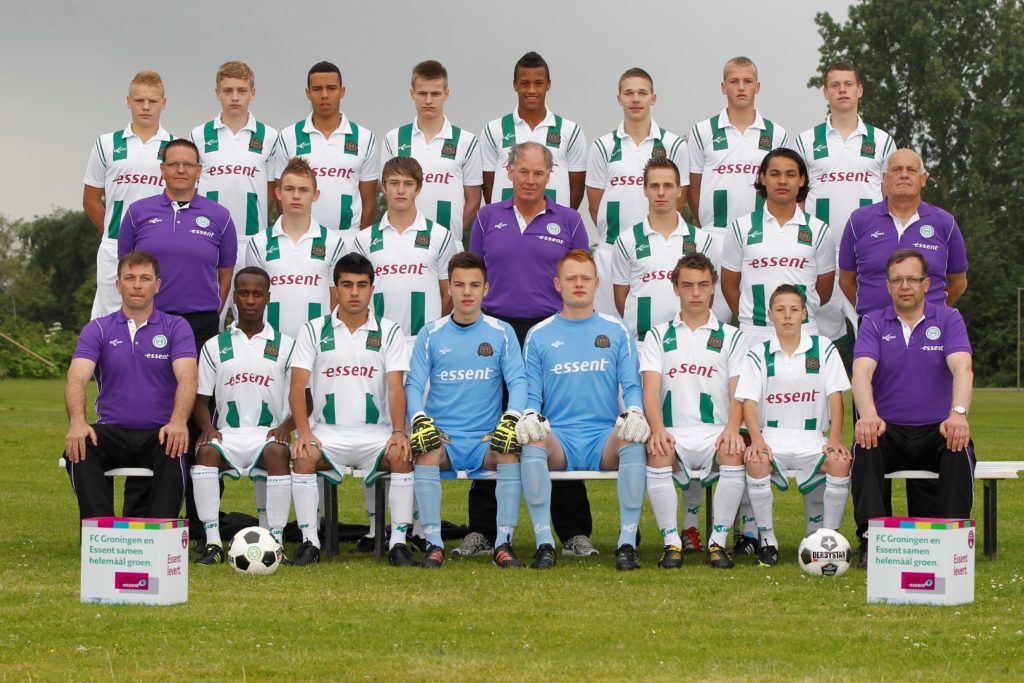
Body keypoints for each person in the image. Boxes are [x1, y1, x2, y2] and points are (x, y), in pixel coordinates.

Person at [465, 141, 594, 559]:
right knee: (495, 426)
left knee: (556, 428)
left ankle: (573, 532)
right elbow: (475, 275)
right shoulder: (487, 218)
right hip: (497, 333)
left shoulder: (570, 220)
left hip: (551, 334)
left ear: (550, 175)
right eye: (523, 171)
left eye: (539, 173)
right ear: (509, 171)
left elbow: (579, 273)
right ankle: (482, 530)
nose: (530, 180)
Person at [517, 249, 650, 570]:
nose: (579, 284)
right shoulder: (539, 334)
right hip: (560, 439)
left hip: (602, 438)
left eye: (585, 278)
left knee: (632, 438)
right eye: (571, 278)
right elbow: (532, 393)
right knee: (533, 440)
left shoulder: (616, 330)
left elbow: (631, 385)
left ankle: (627, 543)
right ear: (557, 284)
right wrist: (529, 414)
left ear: (596, 282)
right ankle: (544, 543)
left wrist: (635, 410)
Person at [287, 253, 417, 567]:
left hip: (375, 433)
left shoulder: (389, 330)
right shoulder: (313, 329)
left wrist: (399, 431)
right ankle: (310, 542)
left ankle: (398, 543)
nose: (354, 292)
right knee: (303, 456)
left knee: (401, 456)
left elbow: (396, 387)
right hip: (327, 433)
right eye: (347, 285)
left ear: (372, 288)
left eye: (361, 284)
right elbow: (297, 385)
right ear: (335, 289)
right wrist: (303, 432)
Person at [851, 249, 974, 568]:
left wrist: (958, 413)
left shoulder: (948, 318)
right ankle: (872, 540)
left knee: (958, 442)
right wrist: (868, 415)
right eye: (897, 280)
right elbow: (861, 372)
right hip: (890, 429)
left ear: (926, 284)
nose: (904, 286)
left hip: (936, 429)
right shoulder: (873, 322)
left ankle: (952, 542)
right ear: (888, 286)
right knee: (866, 441)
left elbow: (962, 368)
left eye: (912, 279)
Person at [404, 252, 528, 568]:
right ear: (449, 288)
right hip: (444, 437)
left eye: (474, 285)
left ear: (486, 288)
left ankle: (503, 543)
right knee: (426, 450)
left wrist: (511, 419)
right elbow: (414, 384)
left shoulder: (501, 331)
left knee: (509, 451)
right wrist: (419, 419)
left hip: (485, 439)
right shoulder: (431, 333)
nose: (467, 292)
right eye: (459, 285)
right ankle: (434, 544)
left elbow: (518, 381)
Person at [63, 251, 196, 520]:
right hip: (112, 431)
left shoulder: (176, 327)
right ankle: (101, 529)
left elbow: (188, 377)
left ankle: (159, 530)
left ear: (157, 285)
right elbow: (76, 378)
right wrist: (77, 422)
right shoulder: (98, 329)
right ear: (118, 284)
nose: (137, 285)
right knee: (79, 445)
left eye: (145, 278)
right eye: (130, 278)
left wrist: (178, 422)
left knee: (176, 443)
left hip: (159, 433)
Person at [735, 285, 852, 567]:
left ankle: (828, 540)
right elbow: (748, 402)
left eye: (794, 309)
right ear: (770, 315)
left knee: (839, 461)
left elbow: (835, 397)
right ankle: (768, 542)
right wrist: (757, 440)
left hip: (812, 437)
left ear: (804, 314)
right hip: (772, 437)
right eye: (780, 310)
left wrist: (835, 439)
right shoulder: (758, 353)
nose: (787, 316)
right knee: (756, 461)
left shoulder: (823, 348)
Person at [641, 253, 745, 568]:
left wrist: (732, 429)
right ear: (675, 288)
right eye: (687, 285)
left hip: (716, 431)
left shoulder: (732, 335)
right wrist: (657, 430)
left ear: (713, 287)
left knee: (733, 452)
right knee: (658, 451)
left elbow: (738, 391)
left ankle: (718, 543)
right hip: (673, 431)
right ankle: (672, 543)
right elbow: (650, 390)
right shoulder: (657, 334)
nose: (696, 293)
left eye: (703, 285)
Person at [190, 267, 296, 565]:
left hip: (268, 433)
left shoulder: (286, 345)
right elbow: (200, 400)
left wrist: (286, 426)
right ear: (234, 297)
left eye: (257, 294)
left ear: (268, 298)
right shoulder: (215, 345)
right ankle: (213, 543)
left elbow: (305, 399)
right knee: (206, 452)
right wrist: (207, 428)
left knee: (277, 451)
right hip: (229, 435)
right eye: (244, 293)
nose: (250, 300)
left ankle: (275, 541)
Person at [793, 60, 896, 341]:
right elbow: (796, 199)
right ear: (825, 92)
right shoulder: (805, 141)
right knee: (813, 338)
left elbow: (891, 199)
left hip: (867, 255)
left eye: (848, 84)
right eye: (835, 85)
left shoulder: (882, 141)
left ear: (859, 90)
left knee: (877, 333)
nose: (842, 90)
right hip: (819, 254)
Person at [687, 56, 788, 322]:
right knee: (710, 317)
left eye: (747, 81)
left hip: (762, 236)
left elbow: (784, 189)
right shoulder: (702, 131)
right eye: (734, 81)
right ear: (723, 87)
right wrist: (707, 227)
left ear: (758, 86)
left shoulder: (776, 134)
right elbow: (694, 188)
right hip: (716, 234)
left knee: (765, 314)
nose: (741, 87)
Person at [116, 138, 238, 352]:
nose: (181, 170)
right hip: (149, 318)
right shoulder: (137, 212)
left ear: (198, 170)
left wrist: (214, 311)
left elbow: (226, 273)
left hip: (201, 324)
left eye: (188, 164)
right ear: (162, 169)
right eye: (173, 164)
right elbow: (125, 267)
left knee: (196, 376)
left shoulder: (220, 216)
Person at [587, 67, 689, 314]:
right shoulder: (602, 146)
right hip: (611, 250)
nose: (635, 99)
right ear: (619, 98)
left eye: (642, 93)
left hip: (658, 253)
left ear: (653, 98)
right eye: (629, 93)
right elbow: (595, 205)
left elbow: (679, 200)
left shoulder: (674, 144)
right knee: (612, 326)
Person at [189, 61, 280, 328]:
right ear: (217, 93)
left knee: (251, 319)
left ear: (253, 93)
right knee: (209, 316)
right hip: (209, 239)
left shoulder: (269, 136)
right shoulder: (199, 134)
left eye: (242, 90)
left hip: (251, 240)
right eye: (228, 91)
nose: (235, 97)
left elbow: (273, 189)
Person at [721, 148, 835, 347]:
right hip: (753, 334)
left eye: (790, 174)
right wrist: (751, 319)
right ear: (763, 178)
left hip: (803, 332)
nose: (782, 181)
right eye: (775, 174)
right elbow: (729, 285)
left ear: (801, 180)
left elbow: (823, 291)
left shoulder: (820, 230)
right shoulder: (740, 228)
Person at [84, 70, 173, 319]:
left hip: (160, 247)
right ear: (128, 102)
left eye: (152, 101)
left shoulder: (175, 146)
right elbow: (90, 200)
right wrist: (117, 235)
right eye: (139, 100)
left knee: (156, 318)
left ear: (163, 103)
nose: (145, 107)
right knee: (109, 319)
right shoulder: (106, 143)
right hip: (114, 247)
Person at [839, 148, 968, 316]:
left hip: (928, 328)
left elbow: (958, 283)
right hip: (873, 327)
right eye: (897, 169)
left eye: (911, 170)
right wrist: (869, 313)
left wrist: (933, 312)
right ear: (885, 178)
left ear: (923, 179)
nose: (904, 175)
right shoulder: (859, 220)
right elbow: (846, 280)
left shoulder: (945, 223)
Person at [353, 156, 455, 350]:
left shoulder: (440, 235)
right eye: (394, 183)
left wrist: (433, 331)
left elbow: (448, 294)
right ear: (384, 186)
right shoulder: (363, 239)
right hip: (378, 342)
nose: (401, 190)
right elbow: (357, 294)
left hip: (425, 342)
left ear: (418, 188)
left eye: (408, 184)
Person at [611, 156, 713, 343]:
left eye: (668, 186)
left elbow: (707, 294)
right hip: (641, 343)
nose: (661, 193)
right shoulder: (626, 240)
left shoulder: (702, 240)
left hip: (687, 342)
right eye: (654, 186)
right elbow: (621, 298)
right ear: (645, 190)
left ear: (679, 190)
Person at [381, 60, 481, 248]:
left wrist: (448, 236)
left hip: (450, 245)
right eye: (422, 93)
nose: (428, 100)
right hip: (403, 244)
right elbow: (389, 192)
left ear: (446, 94)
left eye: (435, 94)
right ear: (412, 93)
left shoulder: (466, 141)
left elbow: (474, 200)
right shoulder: (394, 139)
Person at [273, 61, 380, 236]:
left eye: (331, 88)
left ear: (342, 91)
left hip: (348, 237)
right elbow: (282, 197)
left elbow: (369, 201)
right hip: (303, 236)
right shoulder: (288, 136)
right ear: (308, 93)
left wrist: (361, 240)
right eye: (317, 89)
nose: (324, 95)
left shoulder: (365, 137)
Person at [246, 157, 347, 339]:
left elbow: (338, 298)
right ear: (278, 192)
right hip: (271, 344)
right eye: (289, 189)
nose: (296, 196)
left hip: (317, 343)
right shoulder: (258, 243)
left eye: (304, 190)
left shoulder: (334, 243)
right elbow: (251, 300)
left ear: (315, 195)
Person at [480, 52, 586, 209]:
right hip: (505, 222)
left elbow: (577, 191)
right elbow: (488, 188)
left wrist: (560, 218)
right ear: (515, 85)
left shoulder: (571, 131)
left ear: (548, 84)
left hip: (553, 223)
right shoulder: (493, 130)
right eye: (524, 83)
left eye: (538, 83)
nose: (531, 90)